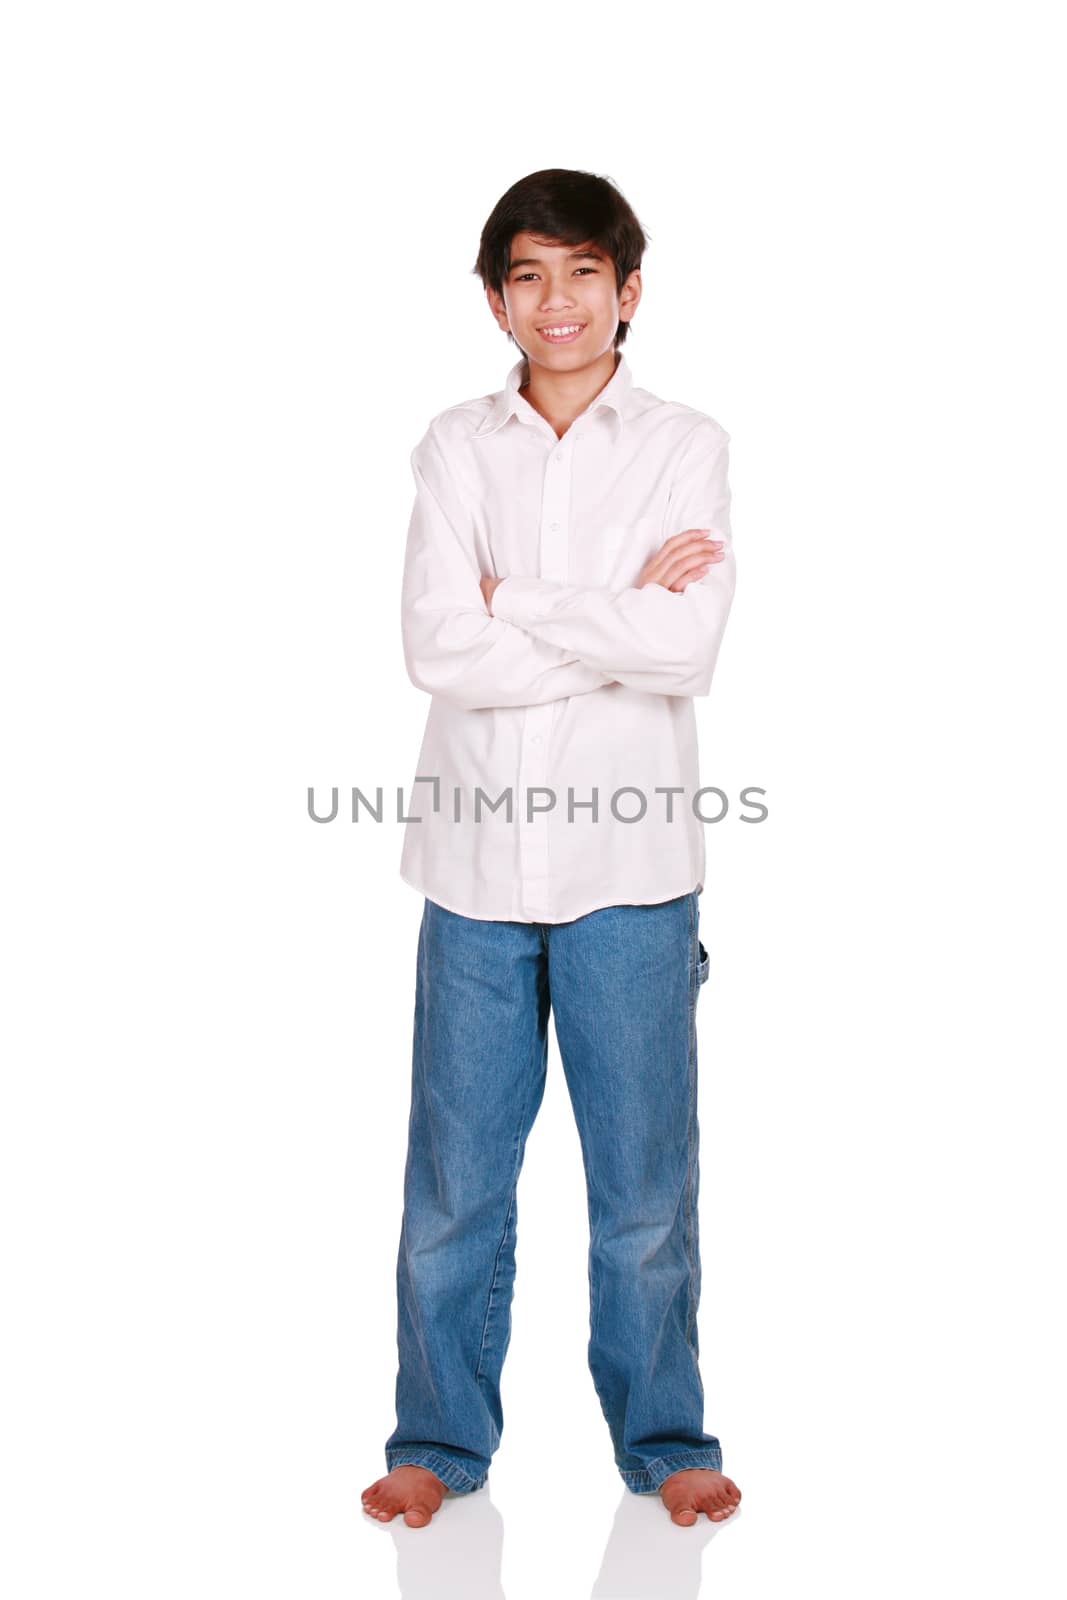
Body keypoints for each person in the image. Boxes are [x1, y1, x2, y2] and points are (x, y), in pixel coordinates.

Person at [362, 168, 742, 1531]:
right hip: (468, 873)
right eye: (529, 275)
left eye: (584, 273)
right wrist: (603, 617)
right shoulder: (454, 449)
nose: (558, 301)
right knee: (455, 1187)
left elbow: (682, 647)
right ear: (494, 297)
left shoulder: (684, 444)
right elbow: (432, 647)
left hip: (631, 879)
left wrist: (512, 599)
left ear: (628, 292)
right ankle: (436, 1443)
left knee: (645, 1188)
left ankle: (667, 1438)